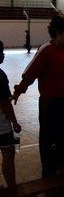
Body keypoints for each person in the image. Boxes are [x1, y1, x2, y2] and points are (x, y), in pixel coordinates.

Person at [12, 16, 64, 177]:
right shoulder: (45, 51)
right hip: (49, 102)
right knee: (48, 136)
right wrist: (19, 91)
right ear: (58, 33)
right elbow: (30, 74)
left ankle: (62, 161)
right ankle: (48, 167)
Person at [0, 40, 21, 188]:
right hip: (1, 126)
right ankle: (12, 188)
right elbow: (5, 104)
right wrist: (15, 122)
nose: (3, 55)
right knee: (8, 155)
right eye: (1, 52)